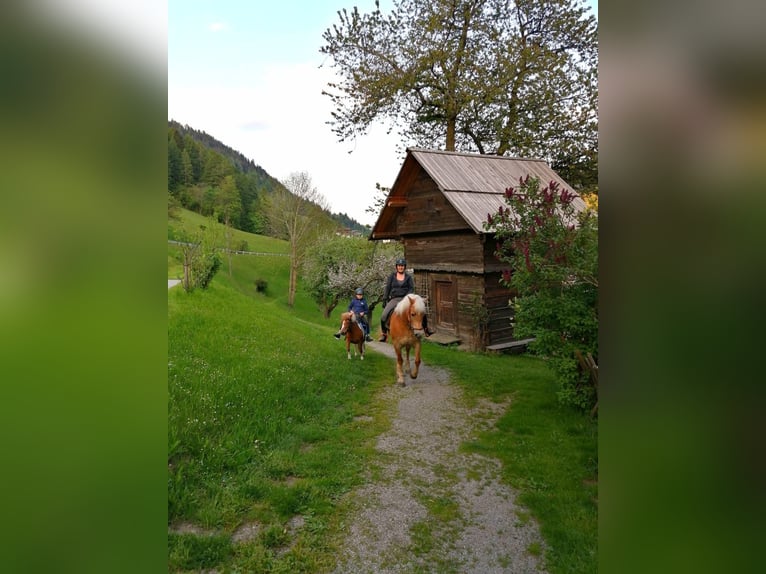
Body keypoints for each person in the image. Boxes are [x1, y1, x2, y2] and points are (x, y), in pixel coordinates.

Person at [378, 258, 434, 343]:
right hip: (395, 299)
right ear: (397, 267)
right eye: (399, 266)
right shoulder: (391, 277)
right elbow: (388, 288)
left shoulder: (408, 277)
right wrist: (385, 299)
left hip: (406, 299)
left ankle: (426, 330)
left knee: (420, 310)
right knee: (383, 315)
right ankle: (384, 334)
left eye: (402, 266)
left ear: (404, 267)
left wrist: (407, 298)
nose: (401, 267)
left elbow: (411, 289)